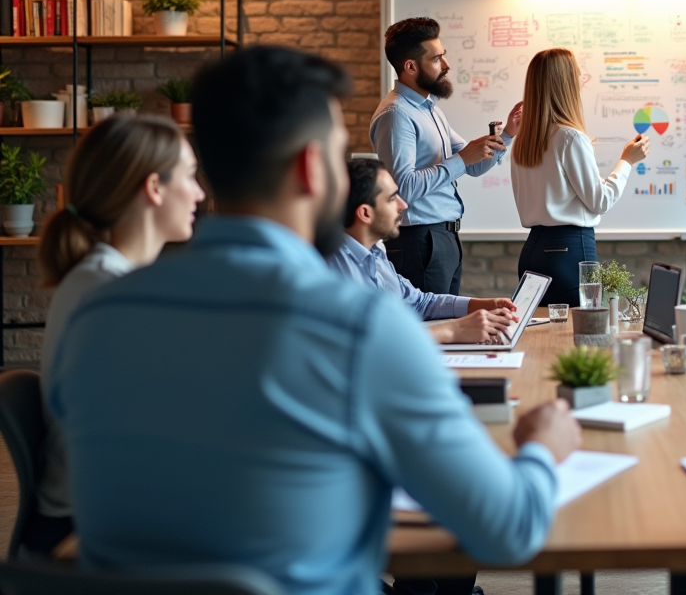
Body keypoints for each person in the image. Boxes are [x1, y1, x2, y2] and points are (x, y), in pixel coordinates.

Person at [48, 46, 582, 595]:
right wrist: (544, 445)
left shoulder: (97, 314)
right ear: (311, 168)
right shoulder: (358, 326)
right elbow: (510, 529)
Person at [34, 115, 205, 555]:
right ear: (154, 188)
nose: (200, 194)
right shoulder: (110, 291)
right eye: (190, 176)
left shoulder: (108, 278)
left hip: (108, 514)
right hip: (95, 533)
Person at [371, 17, 521, 296]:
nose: (447, 66)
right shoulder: (396, 115)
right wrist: (462, 159)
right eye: (437, 58)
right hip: (419, 241)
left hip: (443, 238)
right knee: (430, 329)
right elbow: (402, 188)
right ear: (411, 66)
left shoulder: (430, 110)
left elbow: (473, 167)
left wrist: (509, 135)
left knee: (446, 326)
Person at [510, 48, 649, 306]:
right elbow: (600, 201)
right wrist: (627, 161)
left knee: (541, 335)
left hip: (533, 252)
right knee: (580, 335)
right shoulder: (570, 137)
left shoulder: (522, 141)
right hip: (569, 252)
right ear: (565, 83)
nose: (582, 80)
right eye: (577, 74)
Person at [330, 157, 518, 345]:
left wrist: (485, 305)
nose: (403, 205)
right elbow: (361, 336)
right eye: (392, 198)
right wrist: (453, 330)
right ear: (365, 213)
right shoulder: (331, 266)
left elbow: (420, 303)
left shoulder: (376, 255)